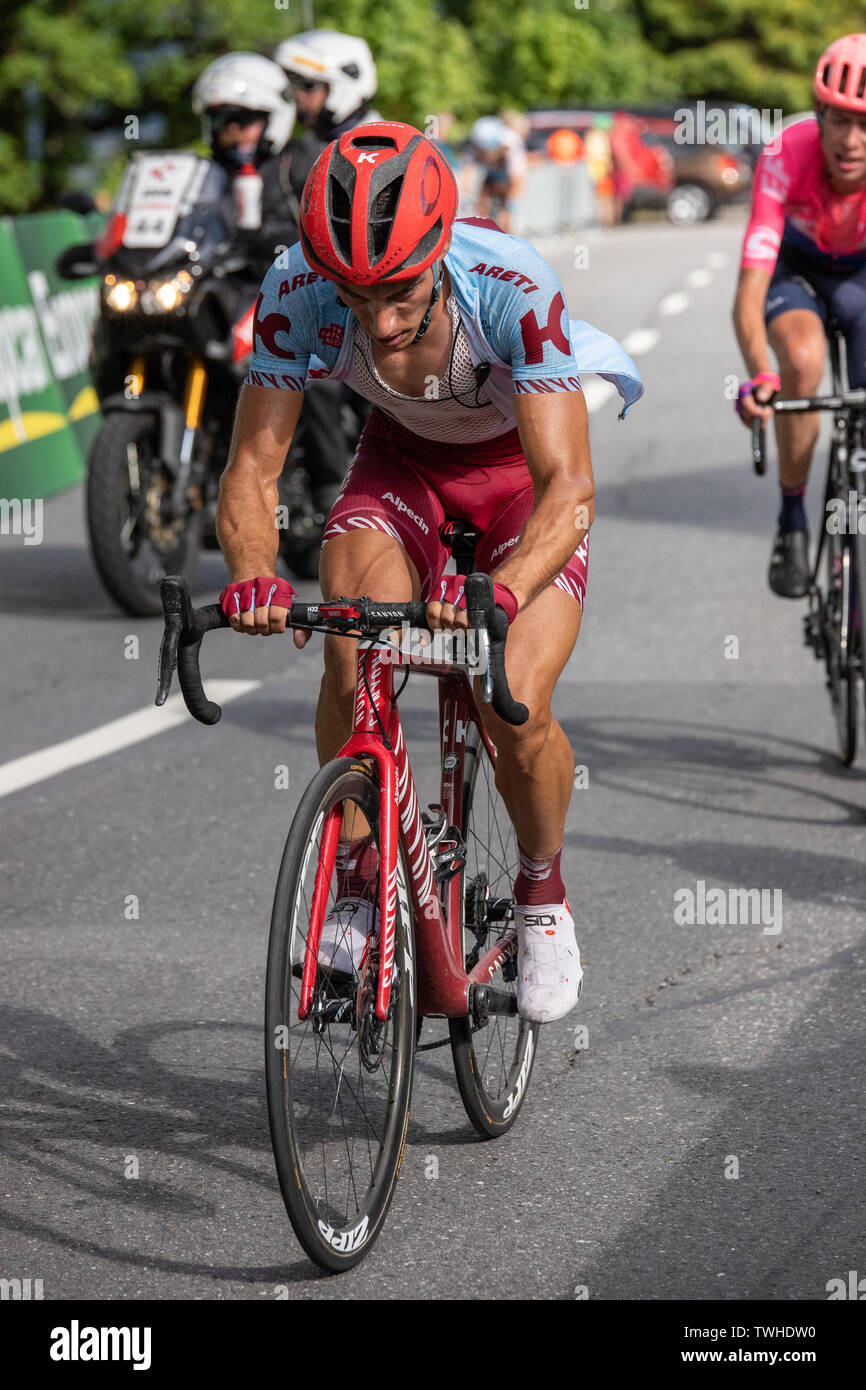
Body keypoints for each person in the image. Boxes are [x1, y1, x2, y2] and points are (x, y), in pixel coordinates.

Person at [215, 122, 642, 1023]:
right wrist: (253, 573)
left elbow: (569, 486)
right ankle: (366, 876)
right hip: (401, 468)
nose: (379, 319)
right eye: (355, 294)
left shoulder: (511, 287)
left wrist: (508, 586)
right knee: (350, 642)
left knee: (511, 696)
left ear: (441, 248)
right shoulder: (295, 288)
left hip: (519, 487)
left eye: (400, 289)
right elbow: (252, 470)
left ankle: (542, 893)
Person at [733, 33, 866, 597]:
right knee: (803, 362)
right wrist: (762, 375)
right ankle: (792, 516)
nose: (852, 140)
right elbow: (749, 290)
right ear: (818, 114)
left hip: (860, 278)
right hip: (799, 272)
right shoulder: (787, 153)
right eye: (840, 119)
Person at [273, 29, 380, 141]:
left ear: (342, 88)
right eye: (291, 84)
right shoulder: (314, 146)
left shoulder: (377, 148)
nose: (298, 94)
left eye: (307, 85)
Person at [469, 115, 526, 232]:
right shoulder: (501, 135)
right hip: (498, 175)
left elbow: (514, 166)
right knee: (485, 205)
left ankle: (504, 234)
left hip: (505, 176)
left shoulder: (508, 137)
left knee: (505, 210)